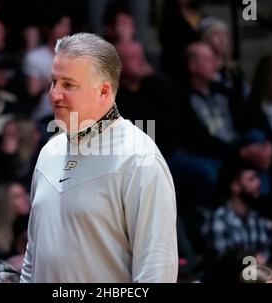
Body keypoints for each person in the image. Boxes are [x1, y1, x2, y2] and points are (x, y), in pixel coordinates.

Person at [20, 33, 178, 283]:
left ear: (103, 91)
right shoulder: (48, 152)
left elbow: (156, 270)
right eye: (53, 81)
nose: (54, 94)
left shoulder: (139, 159)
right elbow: (33, 259)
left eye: (68, 85)